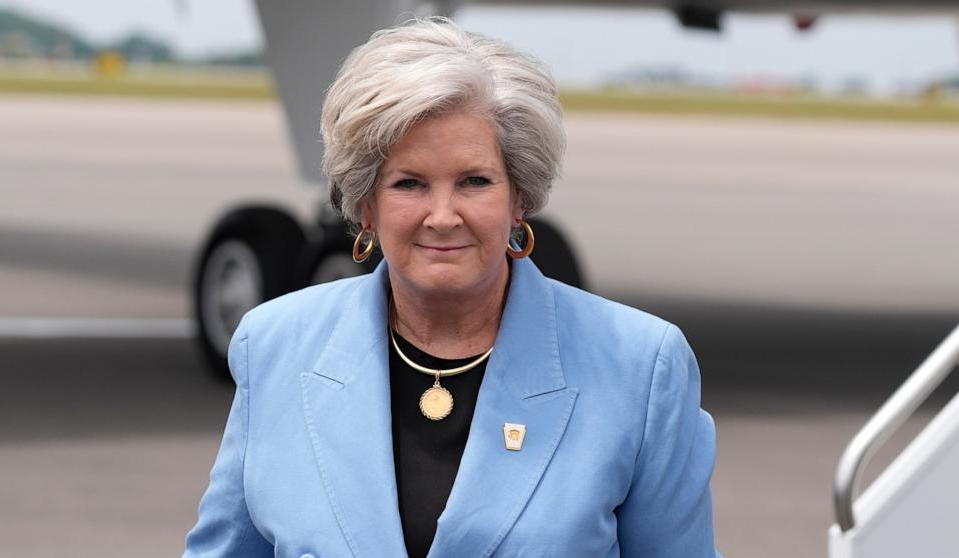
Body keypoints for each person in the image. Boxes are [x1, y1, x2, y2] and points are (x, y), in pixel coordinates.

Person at [183, 17, 719, 558]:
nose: (442, 216)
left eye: (474, 181)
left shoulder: (642, 367)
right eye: (409, 183)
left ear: (520, 199)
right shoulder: (275, 344)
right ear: (366, 206)